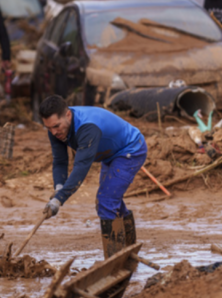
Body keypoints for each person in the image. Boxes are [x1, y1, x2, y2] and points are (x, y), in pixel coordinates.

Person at [39, 95, 148, 259]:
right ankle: (129, 249)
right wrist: (59, 187)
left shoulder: (88, 128)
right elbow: (60, 160)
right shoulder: (56, 130)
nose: (54, 132)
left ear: (68, 115)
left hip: (130, 149)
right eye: (49, 128)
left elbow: (81, 167)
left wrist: (59, 199)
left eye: (56, 126)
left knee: (106, 201)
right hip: (110, 154)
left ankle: (114, 263)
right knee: (109, 201)